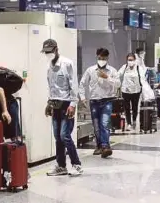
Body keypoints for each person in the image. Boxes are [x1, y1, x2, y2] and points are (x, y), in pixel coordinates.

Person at [42, 39, 83, 176]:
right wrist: (49, 103)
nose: (48, 54)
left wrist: (73, 104)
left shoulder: (67, 64)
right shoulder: (49, 66)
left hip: (66, 104)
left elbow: (74, 85)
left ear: (56, 49)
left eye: (49, 52)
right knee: (57, 137)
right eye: (46, 52)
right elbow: (51, 87)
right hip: (55, 104)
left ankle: (76, 164)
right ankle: (61, 166)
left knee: (64, 135)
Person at [79, 48, 120, 158]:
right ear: (97, 57)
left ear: (107, 58)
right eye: (99, 58)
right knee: (96, 126)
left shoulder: (112, 71)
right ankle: (99, 146)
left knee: (104, 124)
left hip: (107, 101)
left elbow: (118, 84)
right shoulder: (90, 70)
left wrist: (107, 78)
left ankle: (106, 146)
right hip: (94, 102)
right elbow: (82, 84)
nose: (101, 60)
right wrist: (82, 98)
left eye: (104, 58)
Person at [118, 53, 146, 131]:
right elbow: (118, 74)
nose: (130, 61)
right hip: (125, 91)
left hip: (136, 91)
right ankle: (129, 123)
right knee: (126, 108)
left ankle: (134, 121)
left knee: (135, 107)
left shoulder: (138, 68)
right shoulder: (124, 67)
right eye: (129, 60)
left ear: (134, 60)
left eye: (131, 60)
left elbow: (143, 78)